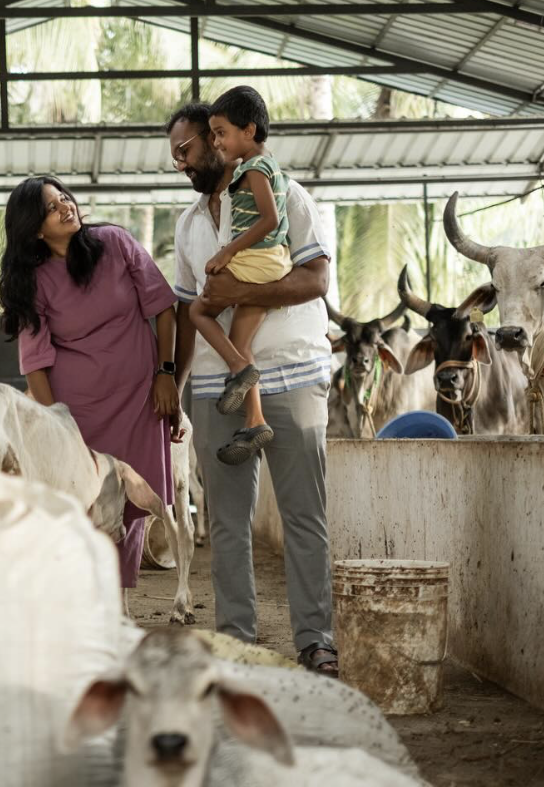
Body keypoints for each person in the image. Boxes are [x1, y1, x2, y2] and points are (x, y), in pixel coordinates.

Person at [165, 103, 339, 677]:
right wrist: (176, 385)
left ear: (222, 141)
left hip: (294, 374)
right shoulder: (188, 226)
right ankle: (236, 642)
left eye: (189, 148)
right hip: (217, 388)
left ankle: (316, 641)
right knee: (226, 525)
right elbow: (191, 313)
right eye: (177, 155)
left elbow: (315, 279)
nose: (183, 162)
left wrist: (240, 290)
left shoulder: (285, 193)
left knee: (303, 516)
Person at [0, 176, 180, 591]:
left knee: (136, 500)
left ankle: (113, 599)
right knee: (82, 502)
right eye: (51, 207)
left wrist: (166, 374)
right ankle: (78, 598)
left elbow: (164, 308)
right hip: (79, 414)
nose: (66, 206)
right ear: (35, 228)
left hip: (141, 400)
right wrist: (59, 430)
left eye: (64, 197)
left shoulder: (115, 243)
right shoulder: (33, 280)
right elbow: (36, 364)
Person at [189, 86, 291, 465]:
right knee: (239, 340)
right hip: (270, 264)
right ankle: (255, 421)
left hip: (258, 260)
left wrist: (227, 251)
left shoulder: (255, 168)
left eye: (221, 133)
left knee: (198, 311)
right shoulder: (266, 165)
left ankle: (238, 369)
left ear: (248, 131)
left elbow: (269, 219)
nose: (216, 142)